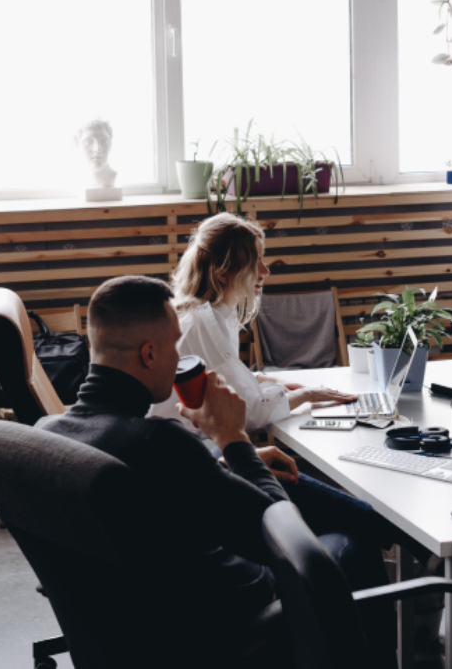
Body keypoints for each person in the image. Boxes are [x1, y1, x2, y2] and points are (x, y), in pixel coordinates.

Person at [41, 276, 398, 664]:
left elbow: (153, 493)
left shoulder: (49, 435)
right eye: (176, 343)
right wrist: (233, 438)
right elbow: (277, 533)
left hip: (131, 628)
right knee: (350, 542)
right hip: (223, 628)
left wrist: (219, 462)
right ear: (149, 354)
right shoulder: (158, 441)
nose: (182, 357)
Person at [149, 211, 356, 430]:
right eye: (255, 262)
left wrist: (270, 381)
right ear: (223, 273)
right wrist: (309, 394)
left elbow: (226, 375)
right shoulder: (206, 324)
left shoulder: (213, 315)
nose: (265, 271)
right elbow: (249, 413)